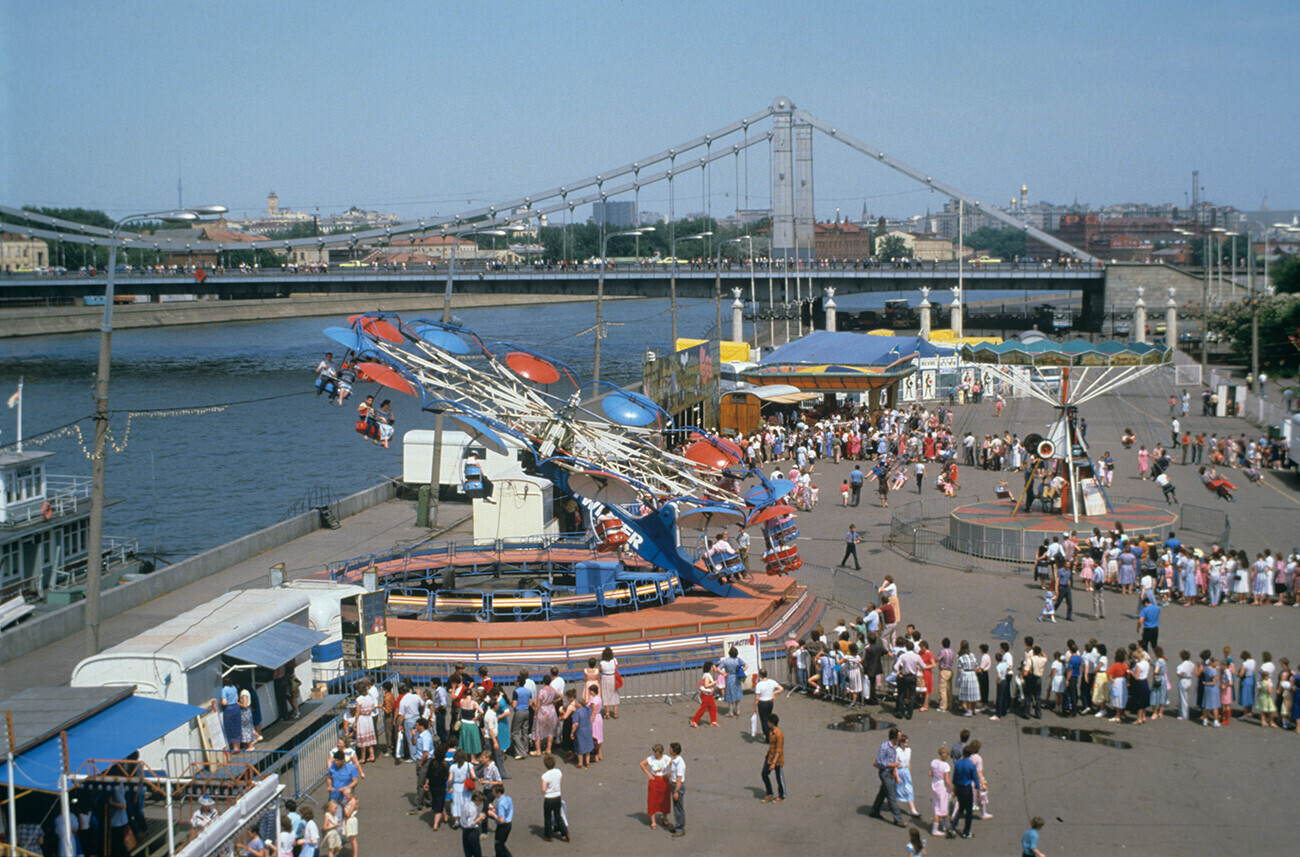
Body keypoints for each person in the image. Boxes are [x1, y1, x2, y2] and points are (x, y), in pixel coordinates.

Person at [870, 727, 904, 826]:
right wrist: (892, 765)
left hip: (889, 773)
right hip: (885, 773)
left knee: (882, 793)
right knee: (891, 795)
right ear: (895, 737)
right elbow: (880, 761)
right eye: (899, 736)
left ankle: (875, 811)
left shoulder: (894, 746)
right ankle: (898, 819)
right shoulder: (885, 746)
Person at [640, 744, 673, 828]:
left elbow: (675, 765)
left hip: (664, 780)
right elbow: (642, 764)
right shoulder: (651, 758)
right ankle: (653, 821)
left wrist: (670, 774)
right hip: (654, 780)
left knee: (665, 800)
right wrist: (649, 774)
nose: (655, 753)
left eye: (656, 752)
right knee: (652, 800)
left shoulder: (666, 758)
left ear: (660, 752)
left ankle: (664, 818)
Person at [950, 742, 978, 839]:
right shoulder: (971, 765)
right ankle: (966, 832)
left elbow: (954, 778)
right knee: (969, 812)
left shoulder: (957, 764)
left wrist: (954, 789)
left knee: (961, 808)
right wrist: (978, 791)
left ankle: (952, 826)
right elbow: (975, 779)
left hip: (959, 788)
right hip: (967, 789)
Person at [540, 755, 569, 842]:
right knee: (558, 816)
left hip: (549, 798)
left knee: (547, 817)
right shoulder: (558, 772)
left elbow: (544, 789)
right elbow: (559, 784)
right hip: (557, 796)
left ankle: (549, 835)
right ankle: (565, 832)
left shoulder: (545, 776)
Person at [929, 746, 954, 838]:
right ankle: (935, 829)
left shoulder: (933, 762)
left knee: (938, 805)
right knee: (941, 807)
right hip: (941, 785)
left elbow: (930, 774)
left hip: (935, 784)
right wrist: (951, 791)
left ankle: (945, 825)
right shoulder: (946, 765)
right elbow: (947, 780)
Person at [753, 668, 783, 741]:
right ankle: (772, 733)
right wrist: (773, 693)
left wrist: (755, 707)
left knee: (764, 720)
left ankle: (768, 736)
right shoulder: (771, 682)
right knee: (769, 718)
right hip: (770, 702)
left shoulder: (759, 685)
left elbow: (757, 698)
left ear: (760, 675)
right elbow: (781, 688)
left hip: (762, 703)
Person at [761, 713, 786, 802]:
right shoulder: (771, 731)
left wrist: (773, 763)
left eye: (768, 722)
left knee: (779, 777)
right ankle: (769, 793)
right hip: (770, 756)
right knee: (764, 774)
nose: (767, 723)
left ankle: (782, 795)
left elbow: (778, 750)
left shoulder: (778, 734)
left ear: (772, 723)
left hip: (777, 759)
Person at [688, 661, 719, 727]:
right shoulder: (707, 675)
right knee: (703, 708)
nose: (713, 668)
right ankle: (694, 720)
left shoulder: (706, 674)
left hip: (708, 694)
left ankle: (713, 720)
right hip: (706, 695)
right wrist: (714, 683)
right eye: (712, 667)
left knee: (713, 707)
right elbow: (706, 685)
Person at [487, 785, 513, 857]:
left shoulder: (500, 803)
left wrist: (492, 814)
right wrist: (496, 810)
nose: (492, 793)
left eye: (493, 792)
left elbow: (501, 820)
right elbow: (506, 809)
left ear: (498, 793)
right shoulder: (508, 798)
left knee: (498, 846)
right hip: (508, 824)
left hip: (502, 826)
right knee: (501, 844)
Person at [668, 742, 686, 837]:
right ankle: (678, 825)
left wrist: (676, 791)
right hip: (674, 784)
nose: (669, 750)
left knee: (678, 808)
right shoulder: (675, 761)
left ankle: (680, 828)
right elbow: (673, 773)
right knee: (676, 807)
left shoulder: (680, 763)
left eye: (671, 749)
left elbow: (679, 778)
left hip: (677, 786)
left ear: (674, 751)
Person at [459, 793, 484, 857]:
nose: (480, 804)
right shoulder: (473, 809)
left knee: (467, 850)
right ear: (477, 800)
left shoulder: (465, 804)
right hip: (472, 831)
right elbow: (470, 824)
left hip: (464, 830)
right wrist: (480, 818)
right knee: (476, 850)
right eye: (480, 801)